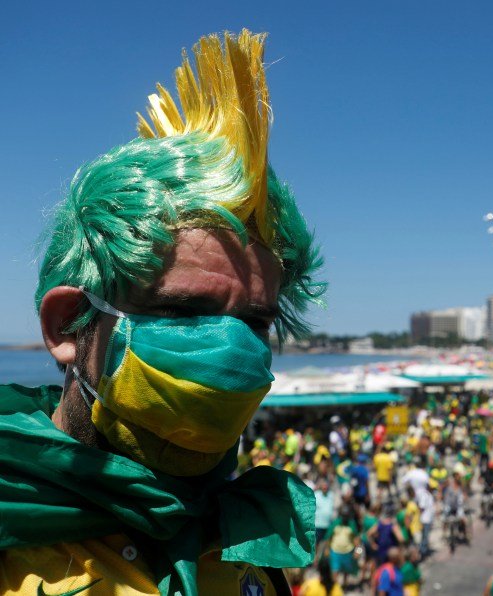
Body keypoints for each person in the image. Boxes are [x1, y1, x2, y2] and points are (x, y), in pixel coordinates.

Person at [0, 30, 321, 594]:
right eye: (183, 311)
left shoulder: (245, 536)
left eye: (255, 322)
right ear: (67, 326)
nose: (230, 355)